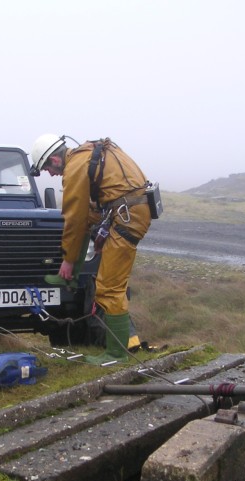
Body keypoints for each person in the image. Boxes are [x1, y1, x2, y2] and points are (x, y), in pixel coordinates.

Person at [30, 135, 152, 364]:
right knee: (87, 217)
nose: (51, 174)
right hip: (128, 209)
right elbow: (85, 214)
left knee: (108, 288)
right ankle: (71, 277)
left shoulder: (75, 167)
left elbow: (73, 218)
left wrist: (68, 259)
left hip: (128, 216)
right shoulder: (85, 155)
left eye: (48, 169)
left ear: (55, 159)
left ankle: (116, 354)